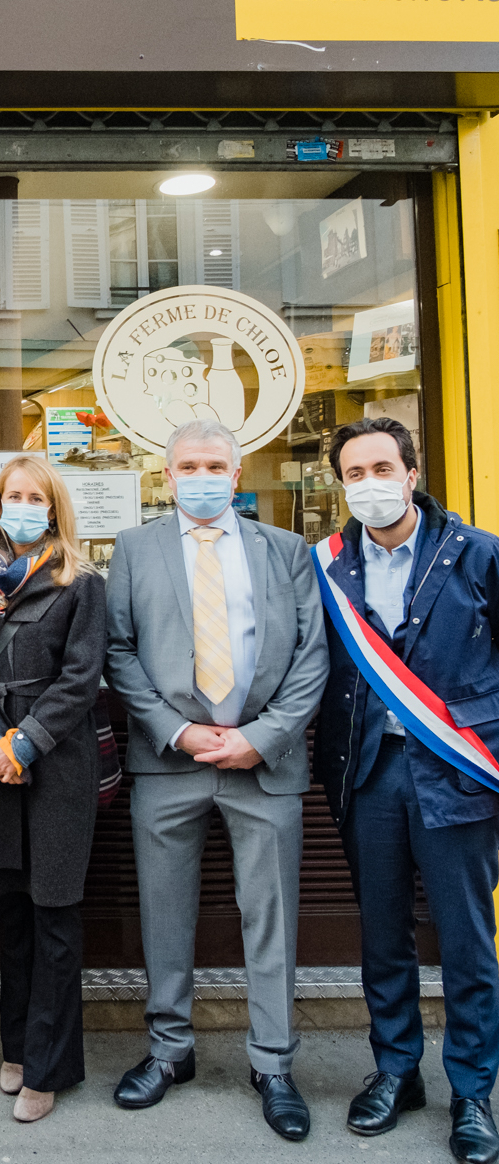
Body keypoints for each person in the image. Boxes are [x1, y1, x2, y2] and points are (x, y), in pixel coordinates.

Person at [105, 419, 328, 1141]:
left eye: (214, 466)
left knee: (272, 919)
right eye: (188, 466)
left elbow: (312, 655)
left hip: (264, 763)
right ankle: (169, 1051)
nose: (200, 477)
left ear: (235, 476)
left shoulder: (285, 550)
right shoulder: (134, 549)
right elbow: (118, 651)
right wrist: (176, 729)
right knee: (164, 914)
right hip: (167, 763)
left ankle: (274, 1064)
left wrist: (259, 738)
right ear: (167, 476)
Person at [314, 417, 499, 1164]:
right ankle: (396, 1070)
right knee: (383, 934)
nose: (369, 484)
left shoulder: (476, 554)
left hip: (456, 770)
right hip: (368, 771)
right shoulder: (329, 566)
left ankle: (472, 1090)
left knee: (466, 939)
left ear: (412, 474)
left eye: (381, 468)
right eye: (354, 474)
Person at [0, 455, 106, 1125]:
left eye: (33, 497)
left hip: (56, 763)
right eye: (10, 495)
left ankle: (49, 1068)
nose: (21, 506)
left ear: (52, 507)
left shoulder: (81, 580)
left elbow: (81, 678)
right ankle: (16, 1045)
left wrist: (23, 744)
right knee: (11, 916)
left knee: (54, 916)